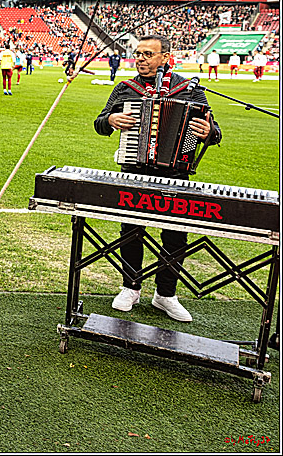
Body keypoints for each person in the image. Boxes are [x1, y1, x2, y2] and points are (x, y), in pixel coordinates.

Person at [94, 35, 221, 324]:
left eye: (148, 53)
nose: (140, 58)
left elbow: (215, 133)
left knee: (175, 235)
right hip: (135, 172)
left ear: (165, 57)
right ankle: (130, 287)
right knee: (131, 230)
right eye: (138, 53)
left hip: (176, 173)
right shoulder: (126, 89)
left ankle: (166, 294)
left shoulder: (189, 90)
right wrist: (111, 121)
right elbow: (100, 124)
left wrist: (206, 133)